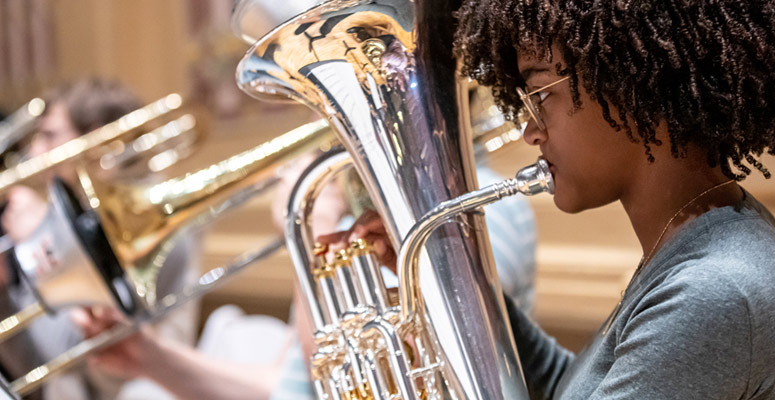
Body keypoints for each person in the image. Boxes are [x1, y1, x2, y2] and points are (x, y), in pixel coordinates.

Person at [444, 0, 775, 398]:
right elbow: (577, 389)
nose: (531, 131)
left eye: (540, 94)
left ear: (631, 85)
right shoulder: (704, 235)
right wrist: (454, 280)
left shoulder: (711, 291)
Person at [73, 149, 538, 400]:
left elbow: (377, 380)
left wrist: (310, 231)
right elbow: (296, 387)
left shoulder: (486, 206)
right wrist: (147, 357)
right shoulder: (356, 207)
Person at [0, 78, 200, 400]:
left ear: (96, 138)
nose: (32, 151)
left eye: (49, 135)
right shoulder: (71, 207)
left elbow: (62, 356)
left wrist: (36, 244)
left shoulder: (143, 218)